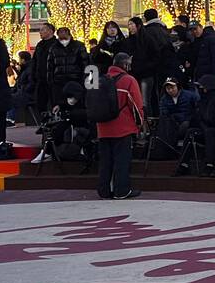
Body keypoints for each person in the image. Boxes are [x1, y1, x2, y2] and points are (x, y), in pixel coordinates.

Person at [95, 51, 143, 200]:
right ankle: (121, 190)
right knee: (122, 160)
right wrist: (139, 125)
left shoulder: (100, 79)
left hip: (102, 127)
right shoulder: (128, 80)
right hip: (123, 127)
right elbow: (136, 105)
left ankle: (104, 190)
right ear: (125, 64)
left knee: (105, 161)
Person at [47, 26, 89, 110]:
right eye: (60, 33)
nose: (62, 34)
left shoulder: (79, 46)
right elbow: (50, 66)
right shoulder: (53, 48)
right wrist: (51, 81)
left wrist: (84, 79)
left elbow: (85, 63)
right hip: (59, 82)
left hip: (75, 80)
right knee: (61, 106)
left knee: (75, 105)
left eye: (64, 32)